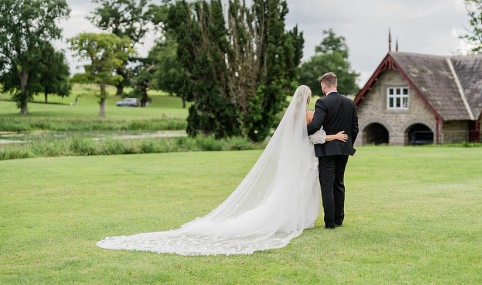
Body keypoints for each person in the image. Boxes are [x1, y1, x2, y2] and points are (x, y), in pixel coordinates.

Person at [97, 85, 346, 256]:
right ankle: (297, 220)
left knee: (291, 187)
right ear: (308, 97)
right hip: (305, 158)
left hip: (295, 160)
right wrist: (334, 135)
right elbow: (314, 137)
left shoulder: (289, 115)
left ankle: (294, 219)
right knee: (300, 187)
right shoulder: (309, 114)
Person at [307, 72, 359, 229]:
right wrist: (347, 144)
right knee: (339, 183)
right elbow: (355, 128)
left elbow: (315, 126)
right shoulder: (350, 103)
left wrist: (299, 131)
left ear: (324, 85)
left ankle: (330, 222)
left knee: (327, 185)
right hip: (344, 150)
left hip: (327, 151)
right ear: (335, 83)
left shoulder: (322, 103)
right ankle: (339, 219)